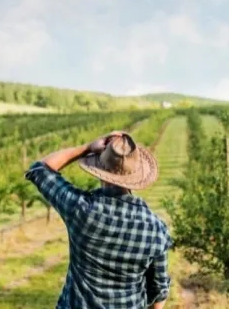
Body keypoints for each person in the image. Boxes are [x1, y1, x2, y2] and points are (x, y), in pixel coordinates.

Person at [25, 131, 172, 309]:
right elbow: (159, 290)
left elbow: (39, 169)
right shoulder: (156, 230)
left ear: (99, 170)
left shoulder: (79, 209)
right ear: (136, 176)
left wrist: (86, 148)